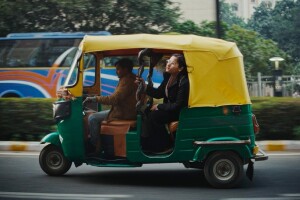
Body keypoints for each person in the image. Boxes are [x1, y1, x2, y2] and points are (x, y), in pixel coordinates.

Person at [136, 54, 189, 152]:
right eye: (168, 61)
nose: (168, 65)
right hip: (171, 109)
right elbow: (158, 93)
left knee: (155, 116)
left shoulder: (184, 82)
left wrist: (159, 106)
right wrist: (144, 86)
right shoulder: (169, 78)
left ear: (180, 68)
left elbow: (178, 105)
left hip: (180, 112)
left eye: (172, 63)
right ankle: (149, 143)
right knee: (147, 112)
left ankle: (166, 144)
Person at [83, 58, 138, 153]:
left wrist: (95, 99)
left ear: (126, 69)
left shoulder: (127, 81)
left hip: (123, 113)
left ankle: (93, 146)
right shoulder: (130, 78)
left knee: (93, 118)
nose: (116, 72)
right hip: (125, 110)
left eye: (118, 69)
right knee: (91, 115)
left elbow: (114, 99)